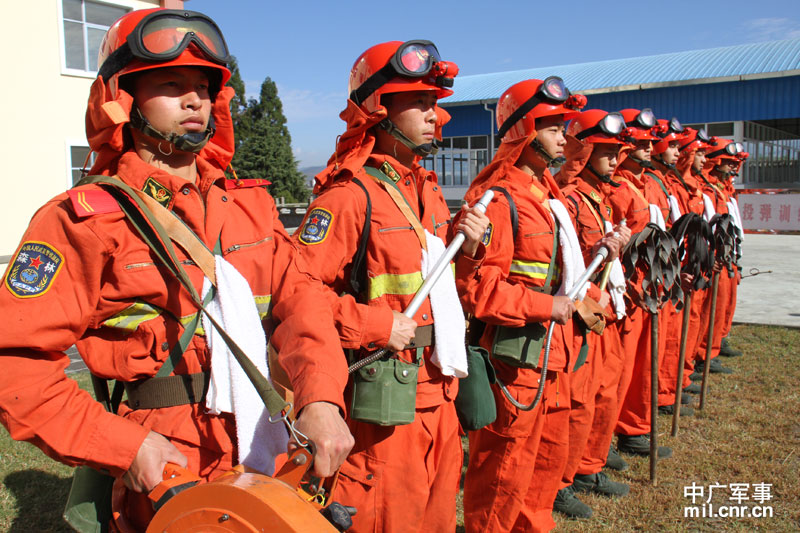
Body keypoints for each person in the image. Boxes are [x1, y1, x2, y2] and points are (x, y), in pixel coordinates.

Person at [0, 8, 352, 530]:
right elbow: (15, 368)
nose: (195, 99)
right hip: (165, 464)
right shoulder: (84, 220)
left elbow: (303, 304)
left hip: (265, 443)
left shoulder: (248, 207)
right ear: (122, 97)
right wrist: (127, 446)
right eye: (170, 83)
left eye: (204, 87)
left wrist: (320, 397)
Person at [292, 40, 489, 532]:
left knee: (438, 516)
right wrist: (376, 323)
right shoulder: (347, 197)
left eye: (435, 103)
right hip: (386, 400)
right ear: (379, 111)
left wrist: (466, 252)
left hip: (440, 387)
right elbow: (298, 296)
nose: (434, 116)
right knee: (390, 518)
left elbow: (439, 285)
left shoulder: (425, 191)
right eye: (419, 103)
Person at [455, 78, 621, 532]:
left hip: (552, 354)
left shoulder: (549, 198)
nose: (564, 138)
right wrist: (556, 308)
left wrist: (588, 286)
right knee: (504, 468)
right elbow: (480, 291)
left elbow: (559, 272)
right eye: (551, 128)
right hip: (515, 362)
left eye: (563, 127)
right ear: (524, 132)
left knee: (544, 461)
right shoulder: (497, 200)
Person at [554, 109, 633, 519]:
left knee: (601, 396)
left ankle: (586, 466)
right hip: (578, 315)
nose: (616, 160)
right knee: (576, 403)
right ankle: (561, 479)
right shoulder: (567, 197)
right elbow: (564, 263)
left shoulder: (598, 195)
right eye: (606, 152)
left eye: (617, 152)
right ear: (583, 151)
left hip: (599, 312)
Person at [606, 107, 673, 458]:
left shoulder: (647, 183)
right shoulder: (617, 189)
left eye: (651, 142)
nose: (650, 147)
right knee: (618, 372)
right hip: (626, 293)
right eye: (640, 142)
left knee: (641, 365)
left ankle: (631, 428)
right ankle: (611, 438)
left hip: (648, 289)